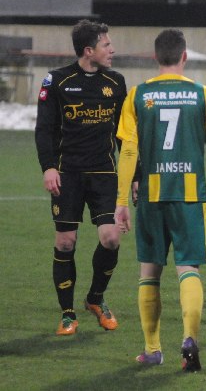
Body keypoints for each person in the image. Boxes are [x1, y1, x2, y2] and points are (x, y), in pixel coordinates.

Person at [114, 28, 206, 371]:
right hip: (190, 193)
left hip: (150, 193)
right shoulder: (201, 94)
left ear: (155, 57)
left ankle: (152, 349)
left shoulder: (138, 95)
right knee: (188, 268)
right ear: (184, 57)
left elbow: (129, 151)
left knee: (149, 273)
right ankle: (189, 338)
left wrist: (122, 200)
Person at [35, 19, 127, 336]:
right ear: (89, 51)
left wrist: (134, 175)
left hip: (103, 173)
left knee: (111, 238)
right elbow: (44, 129)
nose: (112, 49)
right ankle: (67, 313)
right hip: (68, 174)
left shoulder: (116, 83)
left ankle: (95, 300)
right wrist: (48, 166)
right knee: (65, 241)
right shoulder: (57, 81)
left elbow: (123, 136)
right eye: (106, 45)